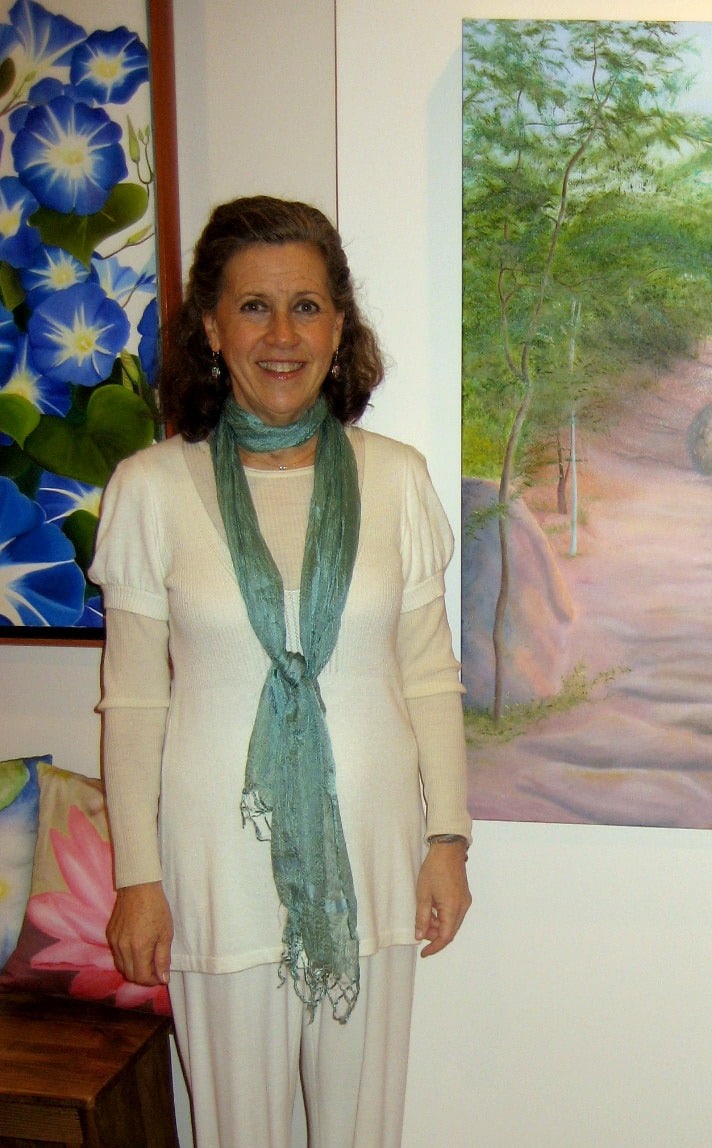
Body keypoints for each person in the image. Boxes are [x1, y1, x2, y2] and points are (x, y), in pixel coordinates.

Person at [89, 195, 472, 1148]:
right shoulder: (151, 487)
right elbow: (133, 700)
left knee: (360, 1132)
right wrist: (138, 878)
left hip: (374, 854)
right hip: (215, 864)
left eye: (306, 306)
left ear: (340, 326)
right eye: (253, 307)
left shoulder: (396, 479)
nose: (282, 335)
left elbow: (429, 675)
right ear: (211, 329)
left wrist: (448, 841)